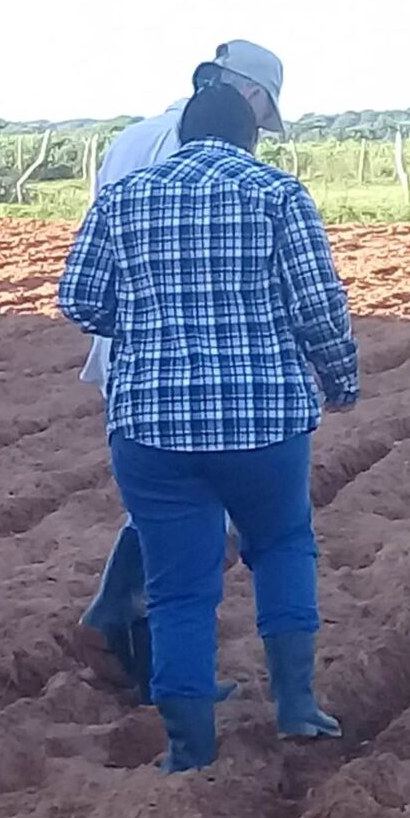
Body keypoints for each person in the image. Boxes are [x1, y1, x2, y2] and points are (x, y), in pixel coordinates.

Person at [59, 81, 358, 772]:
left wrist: (145, 328)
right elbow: (318, 307)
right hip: (263, 421)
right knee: (283, 546)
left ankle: (189, 748)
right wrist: (340, 380)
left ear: (186, 134)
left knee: (178, 586)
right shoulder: (278, 195)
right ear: (249, 136)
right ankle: (297, 706)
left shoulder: (125, 196)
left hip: (152, 425)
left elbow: (78, 296)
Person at [76, 41, 285, 702]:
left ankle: (129, 633)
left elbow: (98, 255)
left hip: (134, 355)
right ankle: (136, 636)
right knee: (194, 512)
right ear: (247, 94)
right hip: (193, 363)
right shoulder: (204, 153)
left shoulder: (130, 139)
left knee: (163, 500)